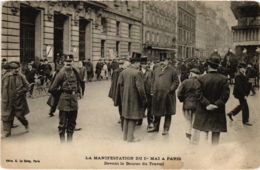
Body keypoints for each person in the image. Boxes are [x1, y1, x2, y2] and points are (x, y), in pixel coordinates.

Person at [193, 53, 230, 145]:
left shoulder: (201, 79)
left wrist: (207, 104)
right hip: (217, 112)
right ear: (217, 66)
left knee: (203, 133)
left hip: (203, 110)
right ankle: (214, 155)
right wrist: (216, 104)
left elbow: (198, 94)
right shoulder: (224, 79)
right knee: (216, 135)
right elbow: (225, 96)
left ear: (208, 66)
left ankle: (203, 156)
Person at [49, 55, 83, 143]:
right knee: (62, 124)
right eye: (66, 62)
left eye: (70, 61)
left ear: (73, 62)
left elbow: (80, 82)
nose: (68, 63)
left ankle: (69, 144)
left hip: (74, 101)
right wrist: (60, 95)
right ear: (64, 63)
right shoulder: (60, 73)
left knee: (72, 124)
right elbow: (52, 89)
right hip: (64, 102)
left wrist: (79, 92)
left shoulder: (76, 72)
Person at [116, 56, 147, 142]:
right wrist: (144, 100)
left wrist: (123, 96)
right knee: (133, 117)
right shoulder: (138, 73)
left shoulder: (123, 72)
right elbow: (140, 88)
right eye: (139, 63)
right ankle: (130, 138)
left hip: (125, 98)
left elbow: (119, 85)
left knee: (126, 117)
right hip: (134, 99)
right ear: (136, 63)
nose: (140, 64)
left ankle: (125, 137)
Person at [148, 56, 179, 135]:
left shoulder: (173, 70)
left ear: (167, 61)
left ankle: (166, 129)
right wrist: (152, 90)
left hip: (168, 95)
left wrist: (170, 90)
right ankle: (155, 127)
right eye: (161, 61)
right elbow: (152, 81)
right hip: (157, 94)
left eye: (164, 61)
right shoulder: (156, 70)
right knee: (156, 111)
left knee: (168, 113)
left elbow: (176, 82)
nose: (162, 63)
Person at [1, 61, 30, 138]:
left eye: (17, 68)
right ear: (10, 69)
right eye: (14, 69)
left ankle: (26, 124)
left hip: (18, 100)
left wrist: (21, 92)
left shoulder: (21, 76)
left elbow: (27, 86)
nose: (16, 70)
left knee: (19, 115)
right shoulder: (5, 77)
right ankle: (7, 132)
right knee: (7, 116)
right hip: (7, 100)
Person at [177, 68, 201, 143]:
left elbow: (179, 93)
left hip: (186, 105)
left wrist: (182, 100)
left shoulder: (185, 82)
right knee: (196, 122)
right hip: (197, 105)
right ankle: (195, 140)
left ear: (190, 74)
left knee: (188, 121)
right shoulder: (200, 83)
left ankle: (188, 134)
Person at [109, 60, 125, 130]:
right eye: (120, 64)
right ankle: (122, 118)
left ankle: (122, 118)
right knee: (121, 106)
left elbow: (113, 82)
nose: (121, 65)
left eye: (122, 64)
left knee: (121, 105)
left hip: (118, 91)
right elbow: (114, 83)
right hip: (119, 91)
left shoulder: (116, 72)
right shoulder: (118, 72)